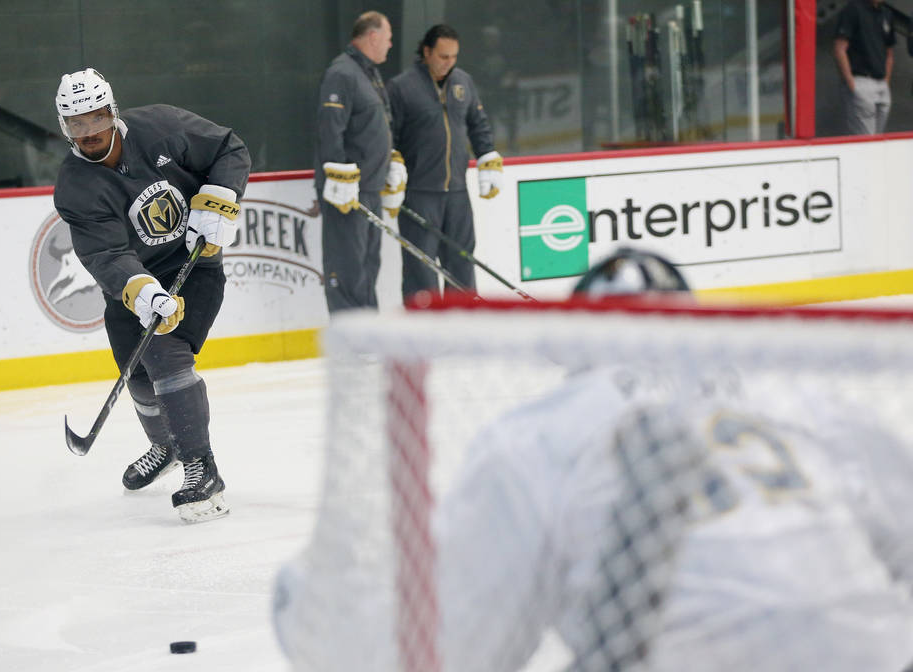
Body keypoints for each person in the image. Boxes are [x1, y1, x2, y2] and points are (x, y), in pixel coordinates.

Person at [272, 249, 913, 670]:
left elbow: (455, 651)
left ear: (580, 346)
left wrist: (312, 614)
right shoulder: (798, 397)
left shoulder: (543, 434)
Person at [52, 68, 251, 523]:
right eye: (77, 123)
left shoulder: (162, 126)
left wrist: (219, 199)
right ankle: (167, 446)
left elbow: (227, 148)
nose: (89, 132)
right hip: (134, 281)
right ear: (66, 127)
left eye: (96, 118)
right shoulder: (75, 186)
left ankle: (203, 468)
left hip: (191, 265)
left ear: (112, 111)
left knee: (164, 353)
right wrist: (141, 293)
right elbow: (105, 253)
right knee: (134, 370)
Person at [386, 24, 503, 304]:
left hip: (458, 194)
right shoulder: (401, 88)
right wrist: (392, 164)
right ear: (426, 52)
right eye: (442, 57)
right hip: (419, 193)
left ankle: (463, 327)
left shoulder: (464, 82)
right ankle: (422, 334)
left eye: (453, 57)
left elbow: (478, 125)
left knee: (462, 263)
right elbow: (388, 134)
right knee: (420, 270)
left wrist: (487, 155)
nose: (448, 64)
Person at [315, 11, 404, 313]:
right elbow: (330, 129)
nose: (390, 45)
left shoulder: (369, 73)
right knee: (347, 264)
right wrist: (338, 177)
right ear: (373, 36)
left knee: (368, 264)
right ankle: (349, 337)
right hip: (347, 194)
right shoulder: (342, 72)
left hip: (370, 188)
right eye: (388, 38)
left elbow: (376, 128)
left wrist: (391, 163)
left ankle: (366, 330)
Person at [832, 0, 896, 135]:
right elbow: (839, 48)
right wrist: (851, 83)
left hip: (881, 84)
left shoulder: (887, 14)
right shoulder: (853, 10)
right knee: (866, 139)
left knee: (878, 139)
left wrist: (886, 81)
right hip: (861, 81)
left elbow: (889, 52)